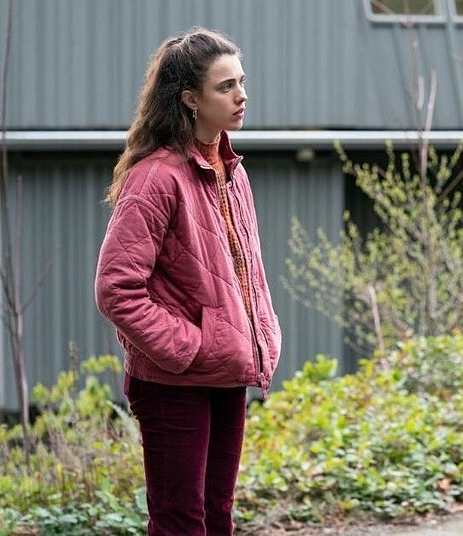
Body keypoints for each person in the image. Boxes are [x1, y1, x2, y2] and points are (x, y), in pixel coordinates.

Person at [94, 27, 281, 536]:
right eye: (226, 86)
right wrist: (189, 347)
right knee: (181, 522)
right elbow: (115, 288)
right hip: (173, 383)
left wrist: (259, 334)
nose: (241, 95)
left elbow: (244, 272)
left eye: (241, 82)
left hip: (226, 374)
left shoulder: (233, 172)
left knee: (217, 516)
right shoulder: (156, 177)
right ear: (190, 99)